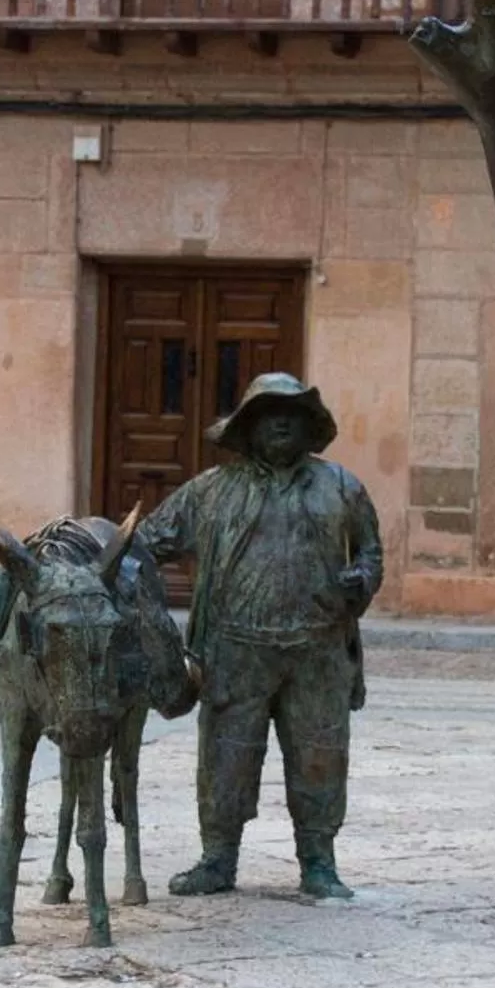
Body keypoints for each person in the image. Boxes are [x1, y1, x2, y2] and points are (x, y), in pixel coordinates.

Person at [141, 373, 382, 900]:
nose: (280, 422)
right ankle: (218, 858)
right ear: (247, 427)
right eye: (268, 413)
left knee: (320, 756)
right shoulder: (208, 492)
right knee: (227, 758)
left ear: (307, 426)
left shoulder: (341, 486)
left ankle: (319, 861)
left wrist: (362, 579)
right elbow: (140, 548)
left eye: (291, 414)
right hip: (234, 651)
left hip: (317, 651)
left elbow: (371, 552)